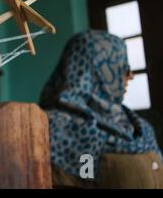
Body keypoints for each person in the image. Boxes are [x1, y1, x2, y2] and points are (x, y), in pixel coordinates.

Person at [40, 30, 163, 188]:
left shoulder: (139, 127)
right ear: (94, 70)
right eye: (122, 66)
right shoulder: (55, 129)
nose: (131, 75)